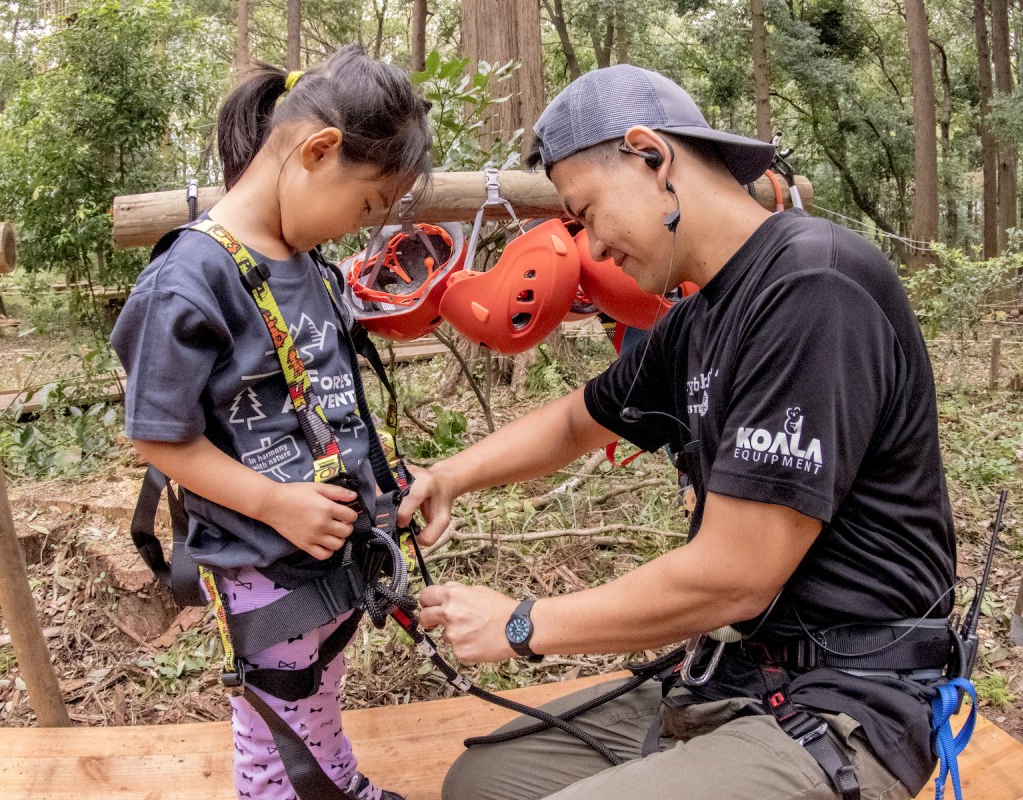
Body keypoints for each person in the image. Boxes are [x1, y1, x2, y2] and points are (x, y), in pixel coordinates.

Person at [397, 64, 957, 800]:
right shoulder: (695, 322)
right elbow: (578, 418)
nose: (592, 251)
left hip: (847, 702)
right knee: (484, 783)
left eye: (588, 211)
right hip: (736, 675)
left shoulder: (813, 287)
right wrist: (448, 476)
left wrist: (523, 625)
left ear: (652, 157)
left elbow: (737, 573)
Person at [111, 46, 432, 800]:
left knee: (318, 687)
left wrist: (387, 491)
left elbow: (323, 398)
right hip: (261, 554)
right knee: (274, 718)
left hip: (323, 544)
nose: (359, 227)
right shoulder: (190, 280)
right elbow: (157, 436)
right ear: (318, 151)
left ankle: (338, 783)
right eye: (366, 205)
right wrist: (274, 502)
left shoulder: (310, 266)